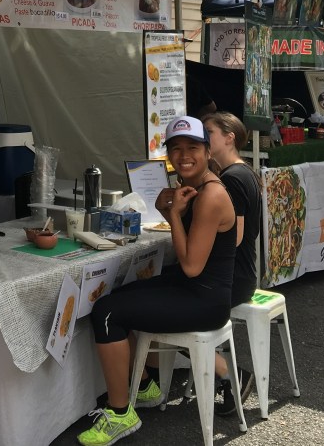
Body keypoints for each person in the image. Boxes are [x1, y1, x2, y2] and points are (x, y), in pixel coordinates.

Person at [77, 116, 236, 445]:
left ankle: (120, 413)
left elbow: (191, 266)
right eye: (176, 149)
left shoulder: (211, 195)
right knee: (117, 295)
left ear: (208, 152)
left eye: (192, 147)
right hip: (193, 288)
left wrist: (174, 214)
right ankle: (146, 386)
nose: (184, 155)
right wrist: (168, 211)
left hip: (205, 300)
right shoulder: (197, 188)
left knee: (107, 313)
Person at [207, 112, 260, 414]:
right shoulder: (243, 172)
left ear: (229, 138)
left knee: (168, 315)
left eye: (209, 133)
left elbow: (234, 238)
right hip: (242, 274)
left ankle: (231, 374)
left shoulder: (232, 178)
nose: (203, 139)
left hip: (232, 279)